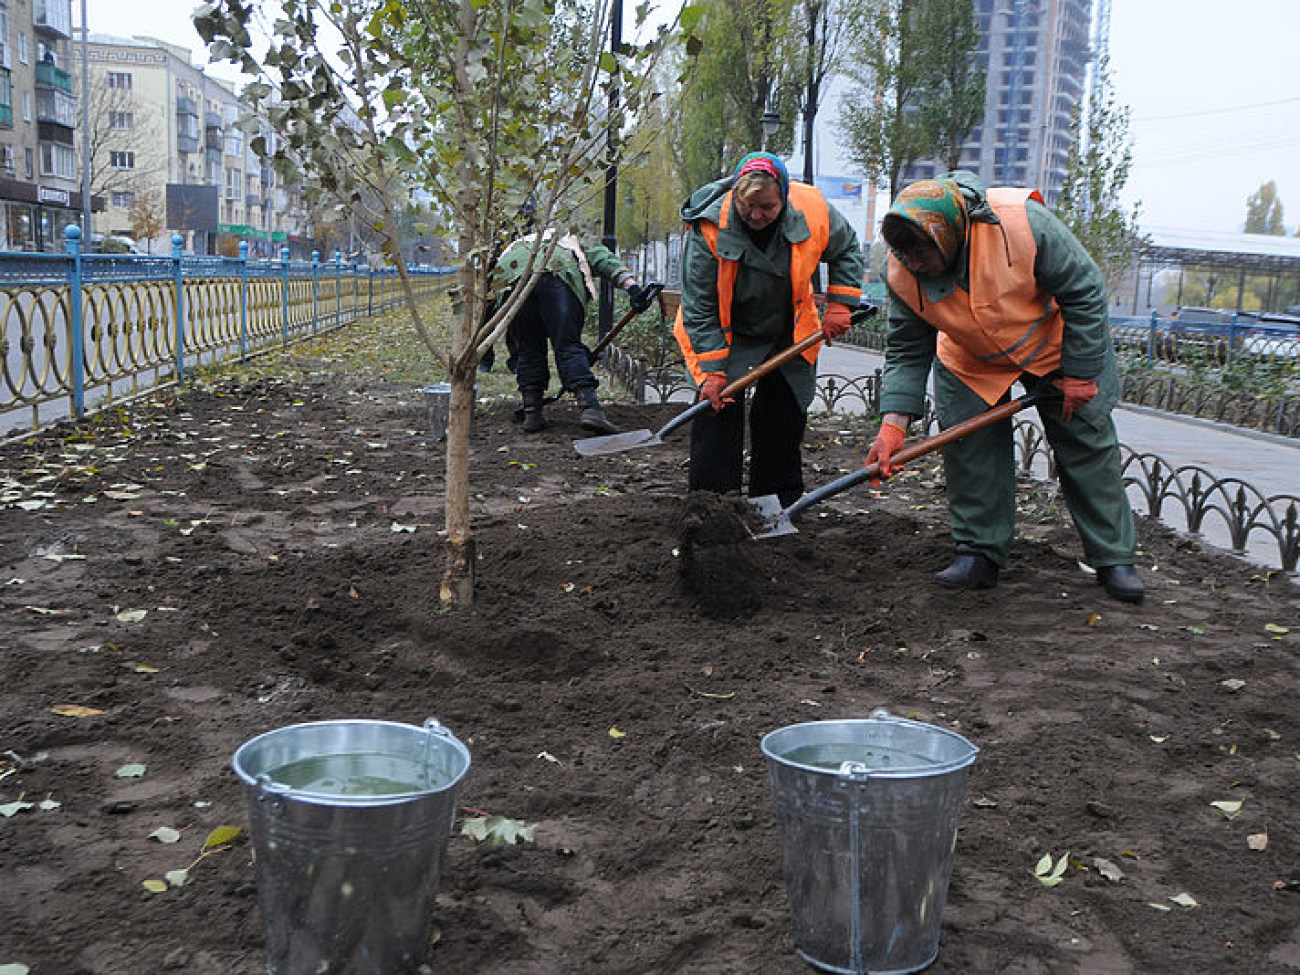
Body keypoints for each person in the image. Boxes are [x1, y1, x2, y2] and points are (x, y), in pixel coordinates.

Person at [868, 170, 1144, 604]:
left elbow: (1085, 288)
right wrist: (892, 425)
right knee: (971, 450)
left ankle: (1114, 558)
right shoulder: (902, 269)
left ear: (950, 234)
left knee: (1087, 445)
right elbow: (906, 347)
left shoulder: (1021, 223)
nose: (914, 264)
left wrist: (1081, 373)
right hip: (970, 355)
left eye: (922, 252)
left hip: (1054, 346)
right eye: (904, 254)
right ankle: (978, 553)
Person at [674, 152, 864, 505]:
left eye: (767, 206)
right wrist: (714, 372)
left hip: (788, 331)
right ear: (736, 197)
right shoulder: (709, 224)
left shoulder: (812, 209)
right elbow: (700, 305)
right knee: (717, 413)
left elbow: (848, 248)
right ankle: (713, 507)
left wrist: (840, 303)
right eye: (749, 206)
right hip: (724, 333)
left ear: (784, 197)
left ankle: (776, 506)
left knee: (782, 418)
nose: (757, 215)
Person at [494, 229, 652, 433]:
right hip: (558, 278)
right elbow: (604, 260)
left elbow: (491, 293)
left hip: (514, 284)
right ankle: (590, 409)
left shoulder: (514, 248)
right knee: (568, 346)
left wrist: (484, 356)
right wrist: (633, 288)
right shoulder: (570, 242)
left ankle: (532, 412)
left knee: (529, 349)